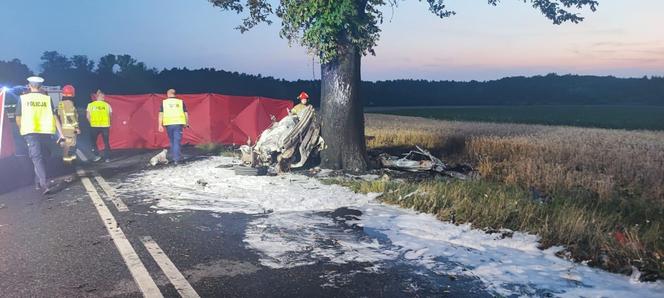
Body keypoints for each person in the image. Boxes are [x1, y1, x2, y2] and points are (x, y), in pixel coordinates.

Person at [15, 76, 63, 195]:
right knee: (42, 156)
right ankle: (43, 183)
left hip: (30, 132)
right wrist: (61, 133)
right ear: (40, 86)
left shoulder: (23, 99)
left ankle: (39, 180)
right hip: (45, 131)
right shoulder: (47, 99)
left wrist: (22, 129)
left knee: (37, 157)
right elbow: (54, 117)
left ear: (29, 85)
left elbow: (18, 118)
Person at [158, 89, 188, 165]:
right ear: (174, 94)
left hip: (168, 124)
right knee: (177, 141)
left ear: (168, 94)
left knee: (172, 141)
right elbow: (186, 114)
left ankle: (176, 157)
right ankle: (176, 159)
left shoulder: (164, 102)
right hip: (178, 124)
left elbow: (160, 114)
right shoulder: (180, 102)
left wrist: (159, 125)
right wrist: (186, 123)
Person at [87, 90, 112, 162]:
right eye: (103, 96)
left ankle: (97, 155)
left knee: (93, 141)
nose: (104, 97)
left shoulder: (90, 105)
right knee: (106, 142)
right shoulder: (107, 105)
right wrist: (108, 123)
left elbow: (88, 116)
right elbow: (110, 115)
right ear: (98, 96)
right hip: (105, 126)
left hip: (94, 126)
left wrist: (92, 123)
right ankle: (107, 158)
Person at [57, 85, 80, 163]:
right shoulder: (70, 103)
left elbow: (59, 115)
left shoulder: (60, 103)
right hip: (70, 128)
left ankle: (67, 159)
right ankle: (69, 161)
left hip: (64, 127)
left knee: (67, 145)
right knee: (71, 145)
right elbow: (70, 116)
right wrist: (76, 127)